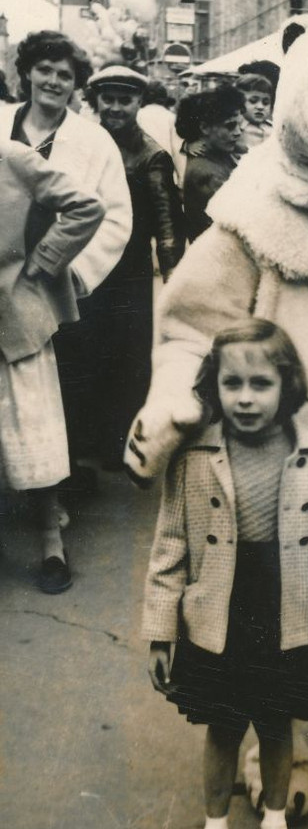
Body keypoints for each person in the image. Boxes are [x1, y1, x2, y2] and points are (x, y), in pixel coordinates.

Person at [143, 320, 308, 829]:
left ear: (287, 386)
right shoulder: (193, 456)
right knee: (222, 727)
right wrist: (161, 629)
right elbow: (170, 546)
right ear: (212, 386)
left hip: (287, 612)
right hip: (219, 613)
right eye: (231, 383)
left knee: (276, 725)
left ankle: (274, 826)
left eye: (261, 384)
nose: (245, 398)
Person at [0, 30, 132, 507]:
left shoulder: (93, 142)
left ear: (76, 85)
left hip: (58, 283)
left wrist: (75, 271)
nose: (53, 81)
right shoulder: (1, 124)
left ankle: (58, 483)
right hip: (3, 282)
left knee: (63, 384)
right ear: (28, 73)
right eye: (45, 70)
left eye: (64, 75)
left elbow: (115, 214)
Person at [0, 140, 105, 592]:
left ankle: (50, 542)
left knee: (32, 429)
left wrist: (42, 263)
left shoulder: (12, 157)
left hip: (15, 320)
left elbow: (87, 206)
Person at [84, 65, 185, 468]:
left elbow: (166, 225)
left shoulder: (151, 155)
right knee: (88, 350)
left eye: (125, 99)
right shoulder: (86, 144)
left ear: (139, 103)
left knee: (127, 357)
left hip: (130, 273)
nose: (115, 107)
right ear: (96, 101)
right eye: (108, 99)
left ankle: (121, 444)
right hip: (88, 267)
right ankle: (88, 439)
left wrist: (174, 279)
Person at [176, 86, 246, 242]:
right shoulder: (205, 172)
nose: (238, 132)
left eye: (238, 125)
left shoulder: (218, 153)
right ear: (205, 128)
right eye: (230, 126)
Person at [138, 79, 185, 188]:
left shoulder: (138, 115)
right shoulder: (171, 118)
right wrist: (181, 179)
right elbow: (178, 149)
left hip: (141, 171)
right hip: (166, 173)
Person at [233, 73, 273, 148]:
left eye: (265, 103)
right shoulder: (236, 129)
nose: (260, 107)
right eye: (253, 101)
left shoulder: (273, 128)